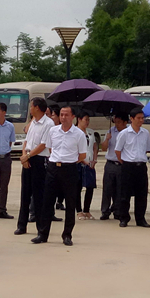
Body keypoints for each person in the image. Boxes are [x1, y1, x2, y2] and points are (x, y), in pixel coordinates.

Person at [31, 105, 87, 246]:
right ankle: (43, 234)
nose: (63, 117)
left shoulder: (79, 134)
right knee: (47, 202)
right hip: (53, 168)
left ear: (73, 117)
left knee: (70, 203)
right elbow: (50, 148)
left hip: (70, 169)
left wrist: (69, 161)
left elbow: (82, 155)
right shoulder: (53, 131)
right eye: (61, 114)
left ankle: (67, 235)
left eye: (66, 115)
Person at [16, 97, 53, 235]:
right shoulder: (33, 122)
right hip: (28, 157)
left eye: (31, 106)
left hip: (39, 160)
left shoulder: (48, 123)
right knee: (25, 193)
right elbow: (26, 141)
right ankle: (21, 225)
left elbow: (43, 144)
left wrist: (28, 156)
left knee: (38, 195)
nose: (30, 109)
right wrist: (24, 156)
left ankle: (40, 228)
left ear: (37, 107)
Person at [115, 107, 150, 228]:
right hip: (128, 166)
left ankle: (140, 219)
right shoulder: (124, 133)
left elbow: (147, 149)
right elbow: (118, 151)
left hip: (141, 166)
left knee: (142, 194)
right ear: (132, 119)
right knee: (124, 194)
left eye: (142, 118)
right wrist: (124, 162)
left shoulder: (145, 133)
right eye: (138, 118)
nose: (141, 120)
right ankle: (124, 218)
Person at [100, 114, 127, 220]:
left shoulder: (128, 133)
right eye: (115, 121)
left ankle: (117, 210)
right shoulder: (111, 130)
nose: (117, 124)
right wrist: (107, 139)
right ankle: (105, 211)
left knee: (120, 189)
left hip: (122, 164)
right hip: (110, 163)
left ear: (125, 122)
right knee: (107, 188)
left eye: (119, 122)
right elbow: (103, 148)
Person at [75, 112, 100, 220]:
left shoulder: (90, 132)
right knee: (77, 187)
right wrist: (83, 161)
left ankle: (87, 210)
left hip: (90, 163)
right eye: (86, 119)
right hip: (78, 163)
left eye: (88, 120)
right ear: (79, 119)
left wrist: (94, 159)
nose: (87, 122)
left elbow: (94, 147)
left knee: (90, 187)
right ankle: (79, 211)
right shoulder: (75, 132)